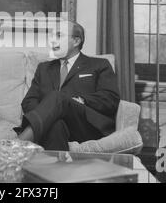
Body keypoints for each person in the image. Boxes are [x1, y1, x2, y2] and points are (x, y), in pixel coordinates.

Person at [16, 20, 120, 151]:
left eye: (59, 35)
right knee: (56, 125)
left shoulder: (99, 65)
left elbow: (110, 99)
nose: (53, 41)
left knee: (58, 97)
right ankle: (58, 170)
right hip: (55, 126)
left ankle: (18, 144)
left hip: (86, 125)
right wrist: (49, 114)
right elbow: (28, 101)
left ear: (76, 41)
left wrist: (81, 100)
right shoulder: (44, 68)